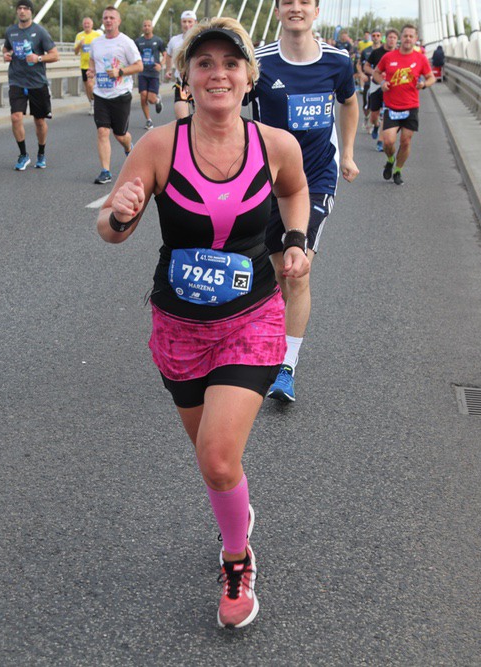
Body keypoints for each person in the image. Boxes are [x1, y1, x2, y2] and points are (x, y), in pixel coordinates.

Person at [97, 18, 310, 628]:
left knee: (216, 458)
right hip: (180, 327)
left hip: (252, 318)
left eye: (231, 63)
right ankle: (235, 507)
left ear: (249, 77)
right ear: (185, 78)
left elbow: (294, 191)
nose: (218, 74)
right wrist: (119, 214)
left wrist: (295, 239)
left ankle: (237, 560)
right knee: (214, 460)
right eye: (205, 64)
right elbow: (110, 229)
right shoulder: (159, 146)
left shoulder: (276, 145)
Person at [249, 0, 359, 402]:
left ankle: (286, 367)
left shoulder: (337, 61)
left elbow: (349, 102)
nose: (296, 8)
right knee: (279, 273)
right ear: (277, 10)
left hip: (315, 180)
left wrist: (347, 153)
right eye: (288, 2)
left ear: (316, 11)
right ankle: (277, 337)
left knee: (297, 272)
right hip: (267, 181)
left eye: (304, 2)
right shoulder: (258, 62)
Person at [373, 24, 435, 186]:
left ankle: (398, 170)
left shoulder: (420, 58)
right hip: (391, 106)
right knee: (388, 141)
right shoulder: (389, 57)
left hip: (411, 106)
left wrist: (424, 84)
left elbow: (431, 77)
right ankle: (390, 160)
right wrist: (382, 83)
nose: (408, 39)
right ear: (401, 38)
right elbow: (376, 73)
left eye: (411, 36)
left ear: (415, 39)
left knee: (406, 141)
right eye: (405, 36)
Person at [87, 5, 142, 184]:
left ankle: (128, 146)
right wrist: (91, 71)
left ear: (118, 21)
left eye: (112, 18)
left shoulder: (126, 42)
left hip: (120, 94)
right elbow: (92, 60)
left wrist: (120, 72)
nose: (108, 21)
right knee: (102, 131)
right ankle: (105, 171)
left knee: (120, 135)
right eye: (105, 18)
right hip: (101, 94)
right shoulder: (96, 42)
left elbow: (139, 66)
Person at [3, 0, 59, 170]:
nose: (22, 11)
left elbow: (55, 55)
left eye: (25, 8)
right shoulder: (11, 31)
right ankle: (23, 155)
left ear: (31, 12)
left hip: (37, 82)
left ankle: (41, 153)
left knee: (39, 121)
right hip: (16, 80)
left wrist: (38, 58)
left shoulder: (40, 32)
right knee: (16, 117)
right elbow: (6, 49)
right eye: (19, 8)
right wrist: (6, 54)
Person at [364, 29, 398, 151]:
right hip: (376, 84)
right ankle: (376, 125)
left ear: (397, 40)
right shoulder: (377, 52)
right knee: (374, 115)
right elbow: (366, 66)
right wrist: (374, 72)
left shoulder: (399, 54)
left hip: (390, 87)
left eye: (394, 38)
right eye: (390, 37)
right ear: (385, 38)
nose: (392, 40)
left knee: (386, 114)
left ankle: (380, 141)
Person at [164, 10, 197, 119]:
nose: (187, 25)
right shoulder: (174, 40)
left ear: (195, 23)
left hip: (198, 84)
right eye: (184, 21)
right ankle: (185, 130)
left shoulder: (201, 40)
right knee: (182, 121)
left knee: (202, 120)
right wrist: (168, 69)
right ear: (181, 23)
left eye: (190, 22)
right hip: (181, 84)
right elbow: (169, 55)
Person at [135, 19, 165, 129]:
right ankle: (149, 120)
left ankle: (157, 100)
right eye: (145, 25)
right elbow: (134, 55)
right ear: (142, 28)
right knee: (143, 96)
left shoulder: (158, 40)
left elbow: (165, 54)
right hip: (142, 72)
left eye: (148, 25)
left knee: (151, 99)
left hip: (153, 73)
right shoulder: (138, 41)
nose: (147, 27)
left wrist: (161, 65)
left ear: (152, 27)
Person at [74, 17, 102, 114]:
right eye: (85, 23)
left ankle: (95, 104)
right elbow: (75, 52)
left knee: (91, 85)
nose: (86, 25)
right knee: (87, 87)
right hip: (84, 65)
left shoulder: (97, 35)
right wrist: (79, 45)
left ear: (92, 24)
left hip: (94, 65)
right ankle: (92, 104)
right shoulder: (79, 36)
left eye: (88, 23)